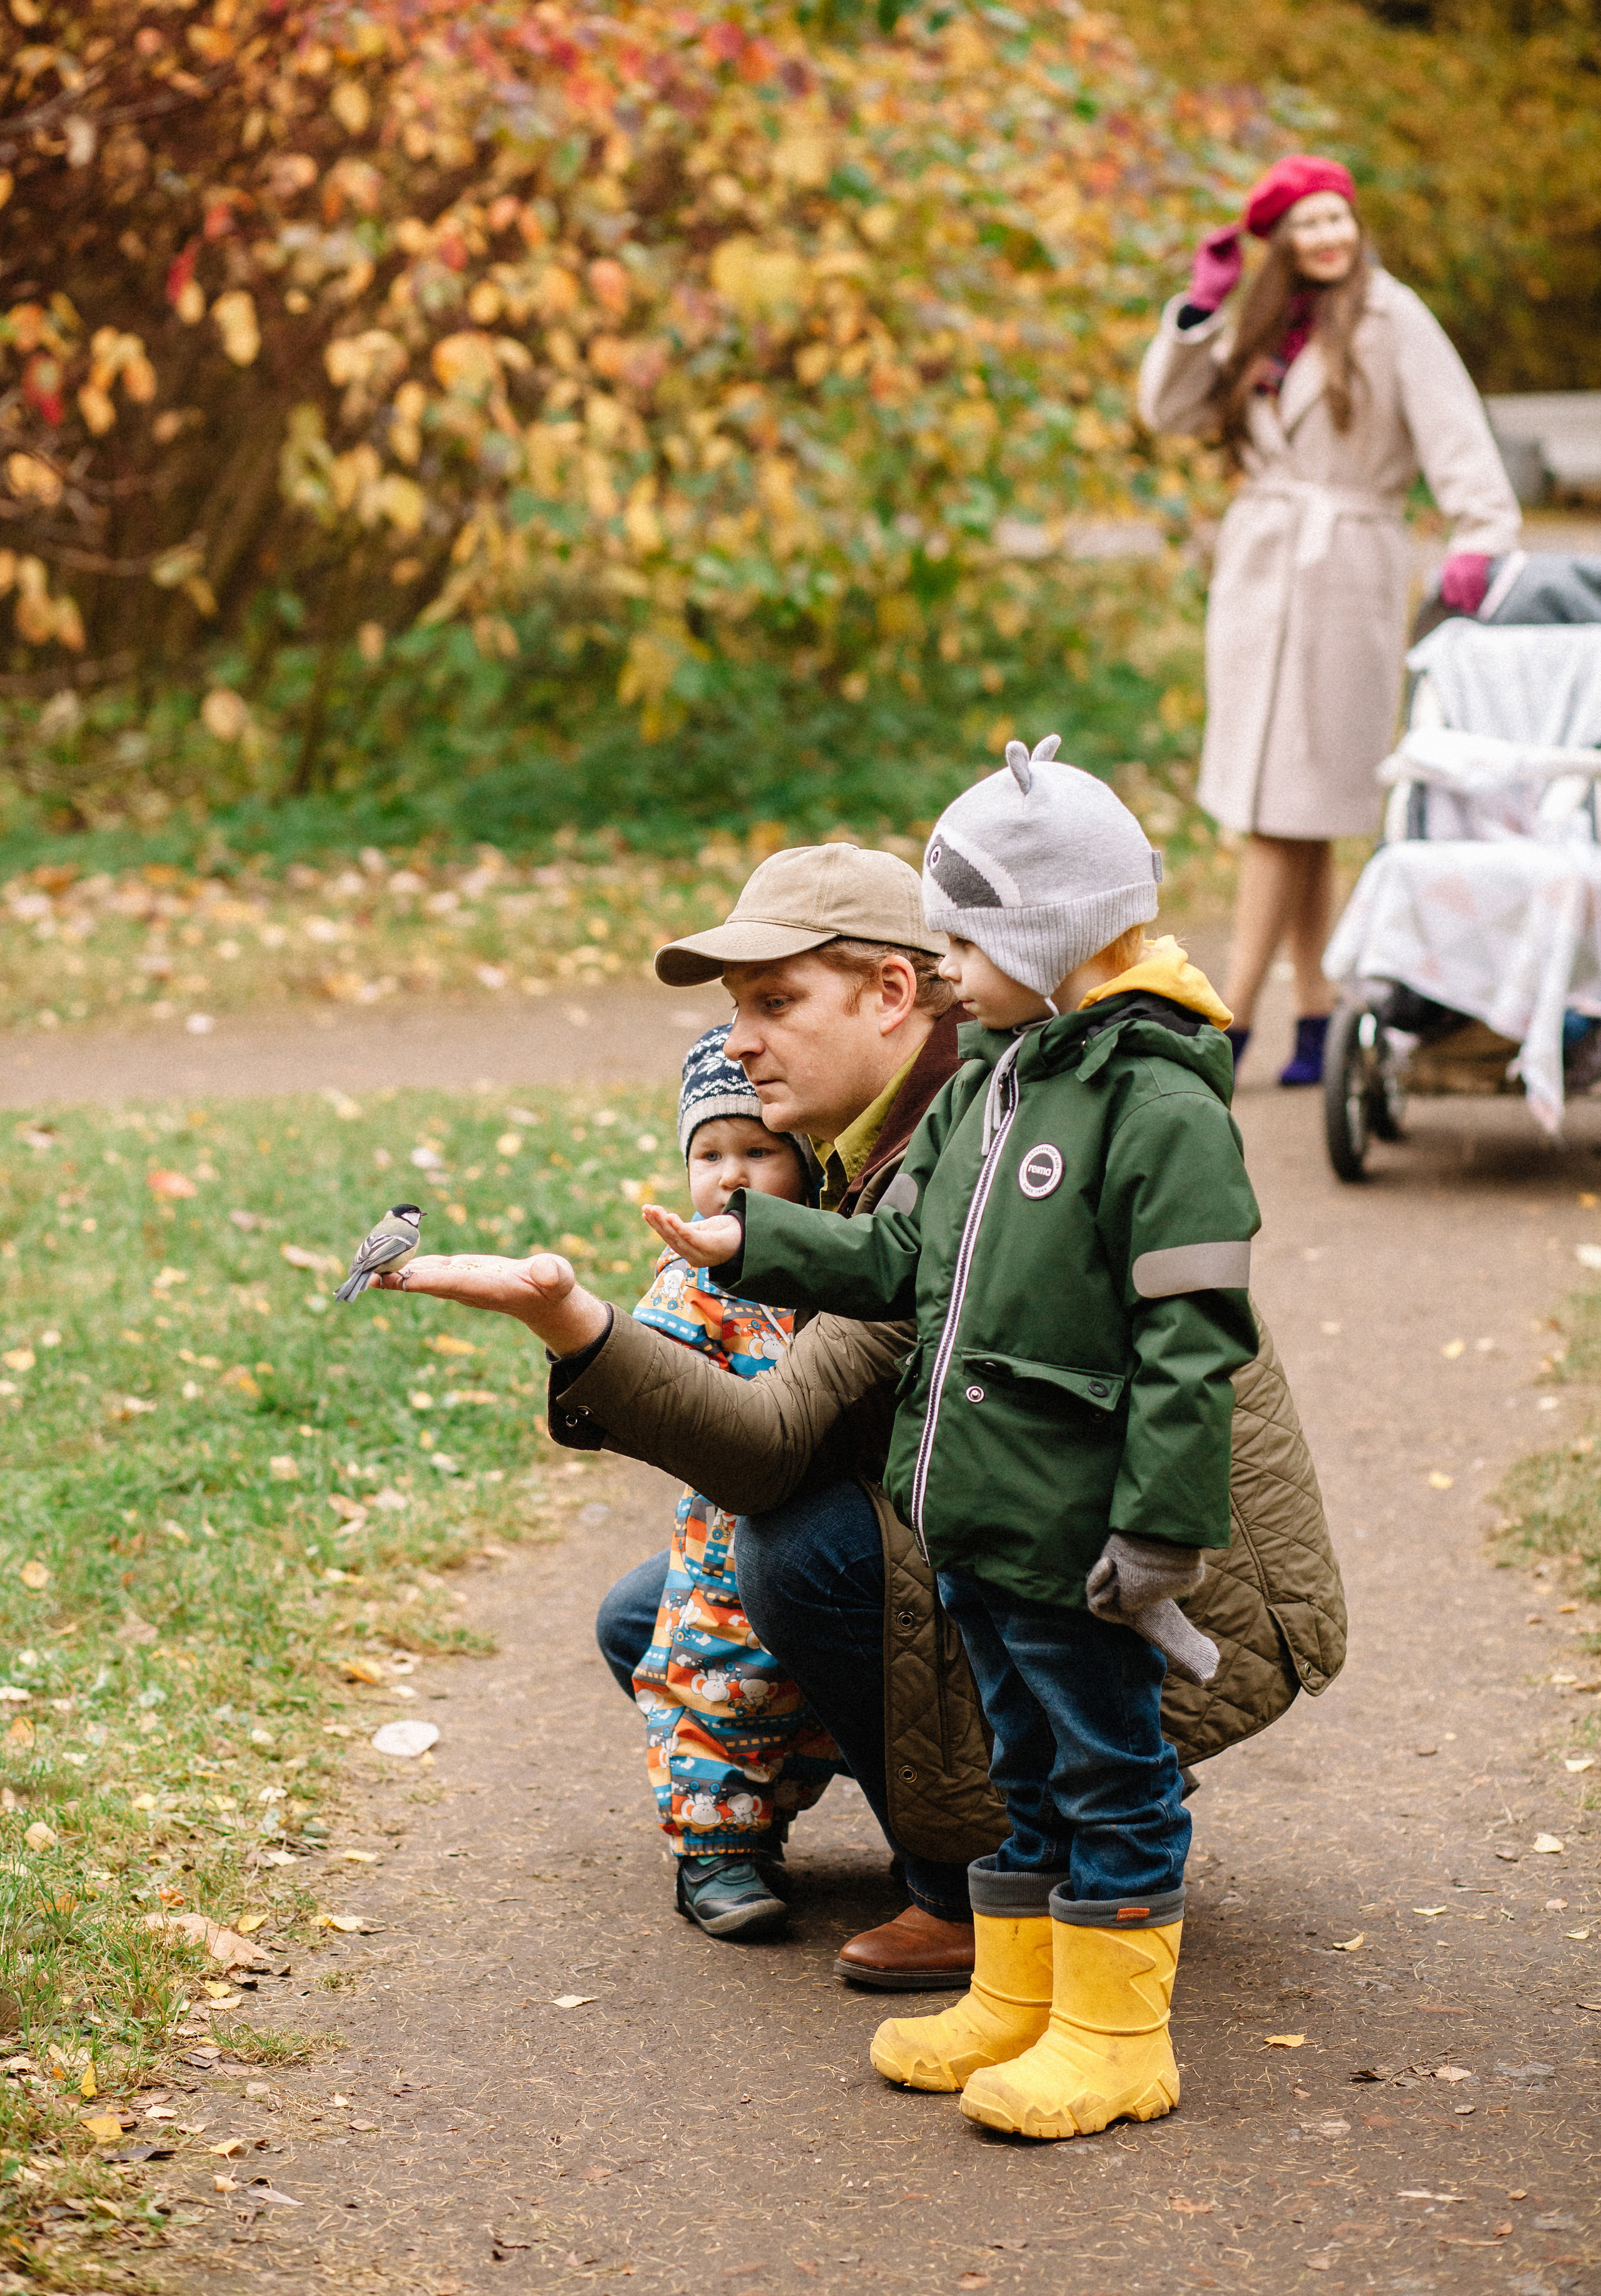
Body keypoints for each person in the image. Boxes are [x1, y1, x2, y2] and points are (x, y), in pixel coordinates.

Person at [372, 844, 1344, 1996]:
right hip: (1021, 1512)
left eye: (775, 1004)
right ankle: (977, 1793)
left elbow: (774, 1448)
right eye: (738, 1012)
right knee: (657, 1620)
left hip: (1151, 1570)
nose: (739, 1042)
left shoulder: (962, 1132)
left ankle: (975, 1873)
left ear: (893, 995)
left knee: (795, 1556)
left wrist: (573, 1321)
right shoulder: (888, 1120)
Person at [644, 740, 1260, 2143]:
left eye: (966, 937)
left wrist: (1158, 1530)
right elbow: (911, 1256)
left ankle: (1115, 2035)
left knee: (1108, 1768)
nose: (947, 967)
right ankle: (1018, 1988)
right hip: (976, 1507)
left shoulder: (1157, 1104)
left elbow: (1191, 1341)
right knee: (1020, 1764)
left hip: (1077, 1522)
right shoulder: (996, 1082)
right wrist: (758, 1242)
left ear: (1045, 934)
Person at [1138, 151, 1522, 1088]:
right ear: (1279, 241)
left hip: (1344, 569)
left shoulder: (1394, 317)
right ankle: (1318, 1014)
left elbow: (1457, 432)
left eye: (1338, 219)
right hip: (1262, 570)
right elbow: (1171, 411)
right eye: (1307, 224)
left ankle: (1225, 1018)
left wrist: (1482, 534)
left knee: (1282, 810)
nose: (1329, 238)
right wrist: (1200, 312)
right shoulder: (1263, 324)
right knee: (1290, 810)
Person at [626, 1026, 838, 1939]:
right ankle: (714, 1856)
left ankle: (778, 1822)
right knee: (713, 1690)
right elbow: (653, 1381)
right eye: (709, 1154)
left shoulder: (832, 1261)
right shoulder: (694, 1284)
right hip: (723, 1547)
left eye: (758, 1151)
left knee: (803, 1709)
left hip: (823, 1529)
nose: (732, 1175)